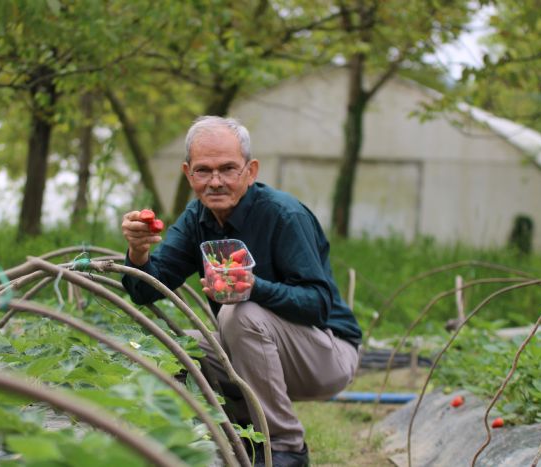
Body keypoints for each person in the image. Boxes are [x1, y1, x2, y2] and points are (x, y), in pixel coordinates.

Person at [121, 116, 361, 467]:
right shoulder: (196, 219)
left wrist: (253, 286)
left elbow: (318, 305)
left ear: (250, 171)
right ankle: (239, 437)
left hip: (327, 352)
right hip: (258, 348)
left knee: (239, 313)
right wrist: (138, 253)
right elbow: (146, 292)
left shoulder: (283, 215)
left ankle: (284, 448)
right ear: (188, 174)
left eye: (228, 169)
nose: (215, 182)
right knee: (174, 346)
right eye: (204, 171)